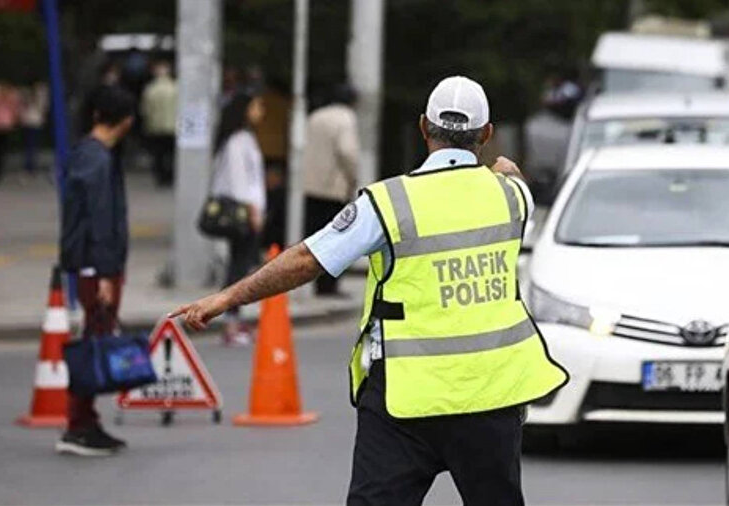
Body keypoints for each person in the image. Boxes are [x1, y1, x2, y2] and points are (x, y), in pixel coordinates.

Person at [171, 76, 569, 505]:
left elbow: (308, 260)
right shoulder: (512, 197)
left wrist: (227, 298)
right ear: (487, 133)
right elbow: (509, 174)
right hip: (491, 397)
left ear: (423, 127)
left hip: (404, 400)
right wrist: (503, 168)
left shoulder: (388, 202)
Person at [57, 86, 135, 456]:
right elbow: (99, 220)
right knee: (94, 342)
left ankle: (86, 421)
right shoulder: (98, 159)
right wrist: (104, 274)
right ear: (127, 121)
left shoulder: (87, 154)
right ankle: (78, 425)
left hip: (91, 264)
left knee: (95, 338)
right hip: (96, 267)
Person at [209, 89, 267, 346]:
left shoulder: (245, 138)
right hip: (243, 213)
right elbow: (239, 181)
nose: (260, 112)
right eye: (256, 106)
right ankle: (231, 321)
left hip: (249, 210)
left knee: (241, 265)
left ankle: (236, 318)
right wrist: (253, 210)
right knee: (238, 267)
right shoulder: (237, 141)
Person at [302, 83, 360, 296]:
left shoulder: (315, 116)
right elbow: (347, 151)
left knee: (315, 237)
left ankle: (316, 283)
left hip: (310, 185)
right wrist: (353, 177)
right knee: (336, 238)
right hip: (333, 187)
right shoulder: (346, 118)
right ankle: (329, 286)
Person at [140, 60, 177, 187]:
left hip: (155, 127)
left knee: (158, 154)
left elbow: (145, 110)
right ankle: (170, 176)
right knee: (171, 154)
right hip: (173, 127)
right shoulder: (176, 88)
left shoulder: (150, 89)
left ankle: (161, 177)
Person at [19, 79, 49, 176]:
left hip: (27, 120)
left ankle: (29, 165)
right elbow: (44, 107)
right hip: (35, 120)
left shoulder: (25, 93)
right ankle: (31, 165)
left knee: (29, 144)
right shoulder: (40, 93)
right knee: (33, 144)